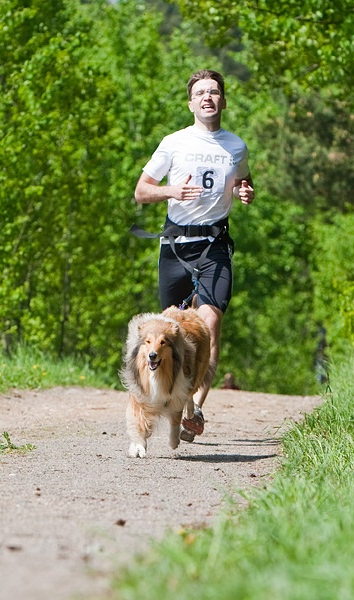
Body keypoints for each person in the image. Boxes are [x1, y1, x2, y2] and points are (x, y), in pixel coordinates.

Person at [134, 69, 254, 442]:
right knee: (172, 330)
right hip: (175, 246)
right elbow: (141, 191)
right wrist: (171, 192)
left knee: (209, 322)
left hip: (215, 245)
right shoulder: (173, 142)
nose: (207, 97)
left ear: (222, 100)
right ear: (190, 103)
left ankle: (195, 408)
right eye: (201, 92)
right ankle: (174, 398)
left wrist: (246, 193)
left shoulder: (236, 146)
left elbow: (244, 182)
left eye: (214, 92)